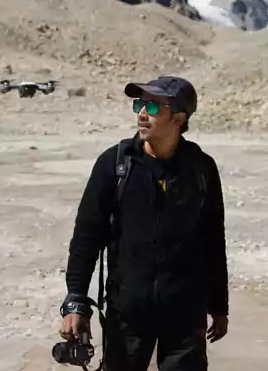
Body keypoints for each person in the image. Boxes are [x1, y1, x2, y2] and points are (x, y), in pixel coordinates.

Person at [58, 75, 229, 370]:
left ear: (178, 118)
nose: (141, 112)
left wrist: (218, 305)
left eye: (152, 105)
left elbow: (213, 239)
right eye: (139, 103)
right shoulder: (115, 164)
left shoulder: (201, 168)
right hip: (127, 312)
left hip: (185, 311)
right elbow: (87, 236)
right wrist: (76, 300)